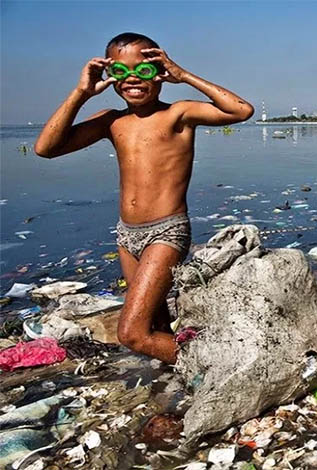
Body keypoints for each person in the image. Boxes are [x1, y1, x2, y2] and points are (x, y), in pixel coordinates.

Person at [34, 32, 254, 363]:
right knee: (155, 321)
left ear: (159, 71)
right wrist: (81, 93)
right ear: (108, 74)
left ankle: (220, 364)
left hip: (166, 232)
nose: (133, 78)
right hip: (127, 235)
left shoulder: (178, 114)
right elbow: (45, 148)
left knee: (132, 333)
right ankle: (177, 382)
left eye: (144, 70)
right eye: (121, 71)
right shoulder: (111, 121)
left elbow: (241, 110)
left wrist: (183, 75)